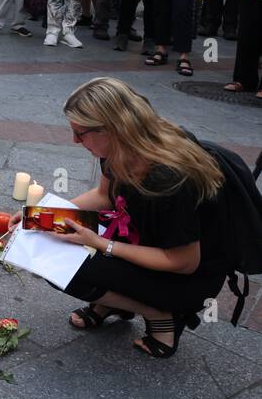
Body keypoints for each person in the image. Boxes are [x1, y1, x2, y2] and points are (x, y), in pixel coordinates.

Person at [54, 77, 227, 359]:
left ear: (111, 128)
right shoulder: (116, 149)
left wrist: (100, 244)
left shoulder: (168, 179)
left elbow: (184, 262)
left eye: (80, 133)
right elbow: (104, 197)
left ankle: (161, 314)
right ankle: (115, 302)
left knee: (64, 268)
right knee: (47, 243)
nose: (75, 141)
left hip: (184, 278)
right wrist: (40, 215)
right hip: (138, 237)